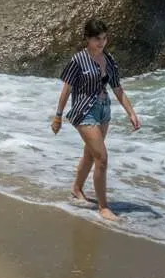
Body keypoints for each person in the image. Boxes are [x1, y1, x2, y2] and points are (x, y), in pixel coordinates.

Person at [50, 18, 142, 222]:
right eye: (97, 39)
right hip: (84, 112)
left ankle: (76, 189)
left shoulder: (108, 60)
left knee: (91, 155)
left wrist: (131, 113)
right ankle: (104, 207)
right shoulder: (78, 60)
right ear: (87, 39)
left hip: (103, 111)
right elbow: (67, 89)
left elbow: (117, 88)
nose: (101, 42)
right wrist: (58, 116)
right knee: (102, 158)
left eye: (104, 38)